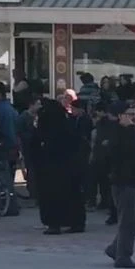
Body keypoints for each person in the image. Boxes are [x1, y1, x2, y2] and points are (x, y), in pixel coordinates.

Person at [101, 100, 135, 268]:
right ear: (119, 116)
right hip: (124, 182)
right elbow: (119, 155)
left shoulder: (130, 132)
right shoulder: (116, 133)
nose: (133, 117)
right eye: (129, 114)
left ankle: (114, 248)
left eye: (134, 114)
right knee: (128, 220)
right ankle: (123, 255)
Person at [32, 96, 86, 235]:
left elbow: (38, 140)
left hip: (50, 166)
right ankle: (75, 222)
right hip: (70, 165)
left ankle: (54, 223)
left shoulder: (47, 125)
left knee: (51, 195)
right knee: (72, 193)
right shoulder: (67, 124)